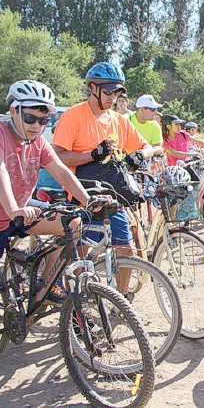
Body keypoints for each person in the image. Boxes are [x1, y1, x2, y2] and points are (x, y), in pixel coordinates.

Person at [0, 80, 104, 393]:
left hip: (20, 211)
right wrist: (13, 209)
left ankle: (45, 285)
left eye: (44, 119)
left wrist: (89, 202)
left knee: (73, 224)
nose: (37, 125)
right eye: (31, 118)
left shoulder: (38, 141)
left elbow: (61, 170)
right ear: (13, 111)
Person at [52, 62, 156, 294]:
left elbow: (148, 146)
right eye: (108, 91)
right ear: (92, 88)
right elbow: (57, 156)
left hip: (111, 195)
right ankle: (76, 296)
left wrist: (141, 154)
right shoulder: (73, 116)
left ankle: (120, 299)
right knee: (81, 252)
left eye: (117, 91)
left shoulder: (118, 120)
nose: (113, 97)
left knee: (125, 248)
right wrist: (92, 154)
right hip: (81, 195)